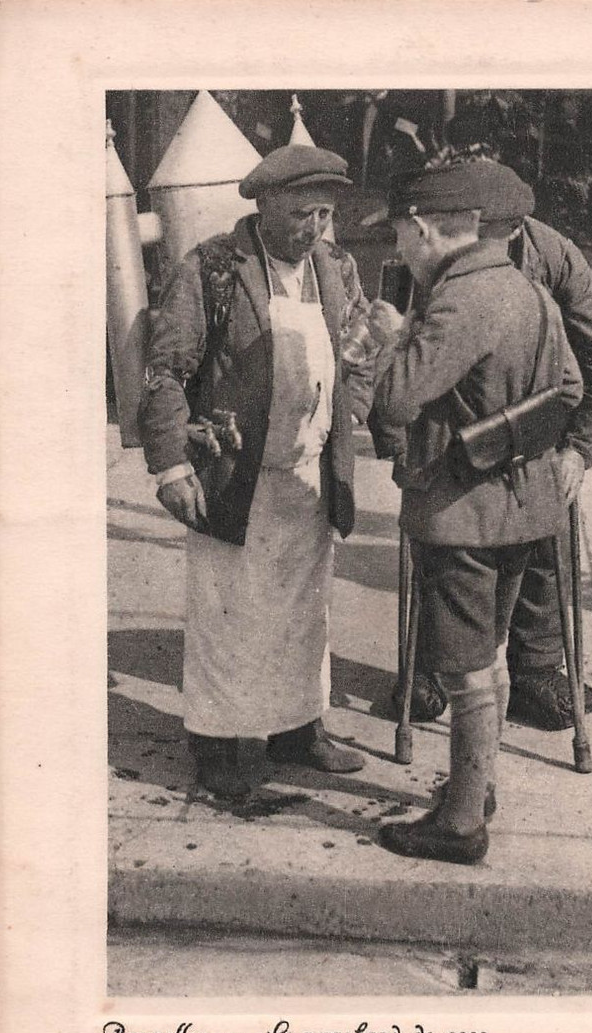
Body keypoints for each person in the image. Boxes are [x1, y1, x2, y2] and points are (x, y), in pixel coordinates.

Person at [138, 145, 372, 802]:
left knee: (305, 613)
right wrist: (171, 467)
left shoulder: (334, 267)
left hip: (307, 478)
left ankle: (298, 730)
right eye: (301, 214)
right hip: (235, 478)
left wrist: (350, 410)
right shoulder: (210, 269)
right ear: (264, 206)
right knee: (227, 616)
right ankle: (215, 747)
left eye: (324, 214)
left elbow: (359, 352)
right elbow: (167, 372)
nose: (314, 228)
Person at [368, 160, 584, 864]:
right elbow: (571, 389)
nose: (398, 249)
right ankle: (475, 781)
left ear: (427, 229)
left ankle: (460, 821)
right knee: (485, 656)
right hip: (522, 510)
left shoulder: (459, 300)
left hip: (460, 513)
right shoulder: (528, 290)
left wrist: (389, 337)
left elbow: (396, 398)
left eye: (401, 235)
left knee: (461, 664)